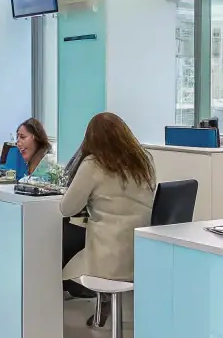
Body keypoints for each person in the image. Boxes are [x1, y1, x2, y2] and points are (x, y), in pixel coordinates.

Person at [59, 113, 156, 322]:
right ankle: (104, 302)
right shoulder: (142, 161)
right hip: (142, 253)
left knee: (59, 241)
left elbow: (67, 208)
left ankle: (48, 299)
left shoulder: (93, 164)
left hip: (108, 259)